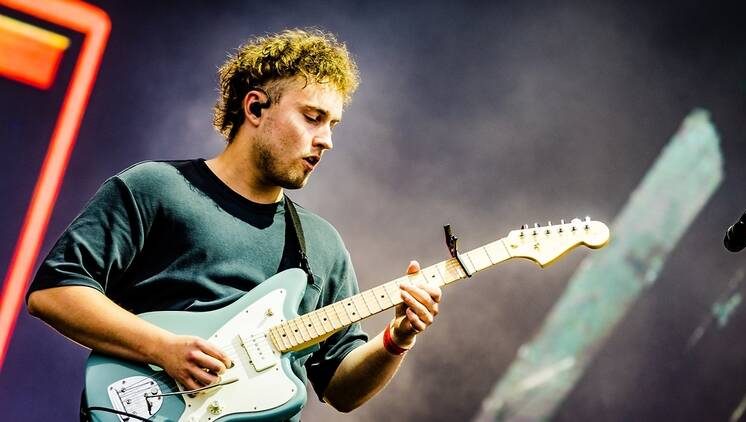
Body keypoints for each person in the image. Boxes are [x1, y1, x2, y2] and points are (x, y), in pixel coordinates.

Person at [26, 28, 441, 421]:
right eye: (312, 117)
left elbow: (341, 390)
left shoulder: (322, 245)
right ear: (255, 107)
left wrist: (397, 338)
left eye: (332, 125)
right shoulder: (156, 188)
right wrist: (163, 348)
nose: (326, 140)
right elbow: (54, 293)